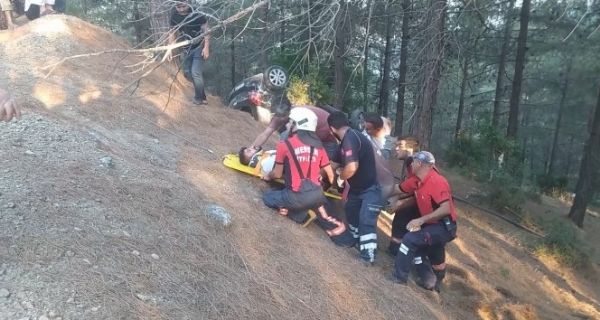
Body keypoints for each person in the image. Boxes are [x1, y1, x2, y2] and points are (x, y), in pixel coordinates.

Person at [391, 151, 458, 292]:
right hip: (431, 225)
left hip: (443, 226)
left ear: (420, 164)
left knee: (410, 239)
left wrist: (420, 220)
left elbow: (446, 209)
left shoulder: (437, 181)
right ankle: (430, 281)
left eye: (413, 161)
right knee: (420, 251)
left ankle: (399, 277)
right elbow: (398, 189)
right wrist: (377, 191)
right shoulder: (416, 180)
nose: (411, 164)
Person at [328, 111, 383, 264]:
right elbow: (333, 164)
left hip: (370, 190)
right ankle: (356, 241)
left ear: (332, 129)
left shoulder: (350, 139)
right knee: (351, 213)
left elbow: (351, 167)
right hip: (356, 190)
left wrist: (339, 179)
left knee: (366, 219)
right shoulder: (346, 140)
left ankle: (368, 256)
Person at [248, 95, 339, 163]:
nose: (280, 119)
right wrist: (253, 148)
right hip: (314, 135)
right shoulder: (279, 115)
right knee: (286, 139)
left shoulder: (301, 116)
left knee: (320, 162)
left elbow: (302, 144)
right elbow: (266, 133)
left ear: (289, 110)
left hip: (329, 140)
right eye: (278, 115)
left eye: (283, 116)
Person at [166, 0, 210, 105]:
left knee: (195, 72)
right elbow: (172, 33)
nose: (181, 9)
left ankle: (198, 99)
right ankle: (202, 96)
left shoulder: (197, 14)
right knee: (189, 72)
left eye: (183, 6)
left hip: (199, 46)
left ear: (187, 3)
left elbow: (207, 30)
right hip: (186, 48)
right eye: (178, 7)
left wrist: (206, 47)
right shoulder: (174, 16)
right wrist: (169, 50)